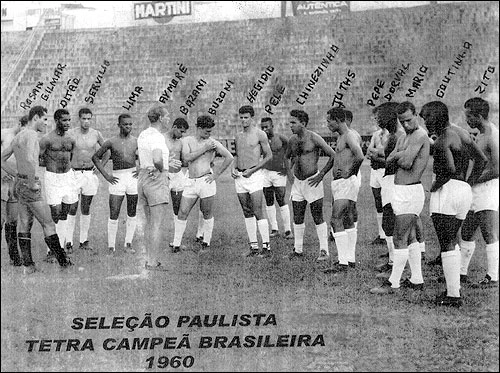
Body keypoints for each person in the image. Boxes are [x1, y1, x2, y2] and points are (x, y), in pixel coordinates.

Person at [423, 101, 487, 307]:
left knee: (447, 243)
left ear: (437, 118)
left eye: (427, 119)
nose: (426, 124)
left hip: (447, 191)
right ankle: (454, 288)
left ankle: (453, 296)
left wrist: (435, 186)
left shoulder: (443, 139)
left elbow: (448, 170)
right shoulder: (461, 133)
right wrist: (468, 183)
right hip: (463, 191)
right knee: (453, 239)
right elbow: (481, 160)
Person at [1, 105, 72, 273]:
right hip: (30, 186)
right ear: (35, 118)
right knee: (48, 223)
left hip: (20, 185)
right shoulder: (32, 135)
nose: (46, 123)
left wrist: (17, 175)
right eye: (44, 119)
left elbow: (2, 159)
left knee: (25, 223)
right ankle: (63, 262)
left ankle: (28, 265)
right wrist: (32, 181)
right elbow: (31, 159)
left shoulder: (19, 136)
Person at [370, 101, 430, 295]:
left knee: (399, 237)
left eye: (409, 120)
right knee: (410, 237)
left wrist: (399, 156)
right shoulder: (405, 136)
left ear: (416, 115)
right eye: (402, 121)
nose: (406, 124)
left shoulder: (420, 135)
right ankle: (417, 279)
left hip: (410, 191)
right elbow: (389, 160)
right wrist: (400, 155)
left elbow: (404, 161)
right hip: (400, 190)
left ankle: (393, 282)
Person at [171, 115, 233, 252]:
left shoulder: (213, 142)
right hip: (190, 181)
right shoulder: (187, 140)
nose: (209, 134)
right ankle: (176, 245)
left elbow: (229, 157)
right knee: (182, 212)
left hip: (206, 181)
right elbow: (186, 158)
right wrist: (204, 149)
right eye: (206, 131)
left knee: (207, 212)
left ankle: (206, 243)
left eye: (210, 132)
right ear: (199, 128)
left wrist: (216, 175)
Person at [285, 109, 335, 261]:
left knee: (317, 216)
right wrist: (290, 175)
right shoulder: (292, 140)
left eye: (293, 122)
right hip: (298, 183)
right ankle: (298, 249)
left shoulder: (314, 138)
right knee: (298, 216)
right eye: (290, 122)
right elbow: (287, 158)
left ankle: (324, 251)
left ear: (303, 123)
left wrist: (321, 174)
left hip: (312, 181)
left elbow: (332, 154)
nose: (290, 125)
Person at [459, 97, 499, 287]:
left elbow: (497, 169)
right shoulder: (480, 133)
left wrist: (472, 181)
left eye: (469, 116)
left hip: (488, 189)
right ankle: (461, 273)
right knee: (466, 232)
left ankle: (493, 277)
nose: (467, 120)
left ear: (479, 116)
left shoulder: (492, 135)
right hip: (475, 188)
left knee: (488, 232)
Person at [323, 108, 364, 273]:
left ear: (338, 120)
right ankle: (349, 260)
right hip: (340, 183)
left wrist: (350, 172)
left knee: (335, 220)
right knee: (347, 220)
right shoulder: (342, 136)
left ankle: (343, 263)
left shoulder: (349, 135)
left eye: (329, 121)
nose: (327, 124)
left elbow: (360, 156)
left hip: (346, 182)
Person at [92, 113, 139, 254]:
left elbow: (145, 155)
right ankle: (111, 246)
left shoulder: (136, 141)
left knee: (132, 211)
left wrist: (140, 169)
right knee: (114, 212)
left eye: (130, 124)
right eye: (125, 124)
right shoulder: (111, 141)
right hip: (117, 178)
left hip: (132, 177)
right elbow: (95, 157)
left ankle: (128, 243)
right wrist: (106, 175)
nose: (128, 127)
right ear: (119, 125)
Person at [231, 105, 273, 257]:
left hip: (254, 176)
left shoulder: (260, 134)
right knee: (246, 211)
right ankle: (254, 247)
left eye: (246, 117)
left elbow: (269, 156)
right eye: (241, 117)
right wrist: (233, 169)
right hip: (241, 177)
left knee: (257, 210)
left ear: (252, 117)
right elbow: (236, 155)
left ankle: (267, 247)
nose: (243, 120)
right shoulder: (238, 136)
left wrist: (253, 170)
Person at [65, 107, 107, 251]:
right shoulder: (71, 134)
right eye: (84, 118)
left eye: (89, 118)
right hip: (74, 173)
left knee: (86, 207)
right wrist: (68, 167)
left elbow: (107, 150)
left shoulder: (96, 134)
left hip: (89, 174)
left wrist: (101, 166)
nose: (86, 121)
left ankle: (84, 240)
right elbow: (65, 152)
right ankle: (68, 241)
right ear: (79, 119)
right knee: (72, 207)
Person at [39, 109, 79, 256]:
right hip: (53, 178)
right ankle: (51, 249)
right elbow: (37, 157)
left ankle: (59, 247)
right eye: (64, 120)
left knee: (65, 212)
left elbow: (71, 155)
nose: (67, 123)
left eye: (69, 120)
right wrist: (50, 164)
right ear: (56, 121)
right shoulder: (47, 139)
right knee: (55, 213)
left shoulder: (71, 139)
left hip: (67, 177)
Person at [137, 105, 170, 270]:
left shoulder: (143, 134)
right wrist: (160, 168)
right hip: (155, 178)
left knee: (149, 223)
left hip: (143, 177)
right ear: (161, 118)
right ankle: (152, 261)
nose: (169, 119)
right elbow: (157, 159)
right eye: (167, 116)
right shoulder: (157, 136)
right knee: (156, 223)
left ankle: (149, 259)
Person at [373, 103, 405, 278]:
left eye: (379, 116)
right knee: (389, 222)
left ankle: (395, 264)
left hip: (393, 181)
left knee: (390, 221)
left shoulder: (396, 136)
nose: (377, 120)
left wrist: (375, 157)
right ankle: (392, 260)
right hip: (390, 181)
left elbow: (392, 162)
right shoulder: (393, 135)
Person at [1, 115, 28, 266]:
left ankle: (14, 257)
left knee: (12, 220)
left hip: (14, 183)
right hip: (2, 181)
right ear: (19, 124)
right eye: (22, 128)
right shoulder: (4, 134)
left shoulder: (24, 138)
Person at [260, 117, 293, 239]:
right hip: (265, 172)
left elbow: (292, 153)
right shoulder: (261, 140)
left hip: (279, 173)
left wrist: (287, 168)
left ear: (272, 126)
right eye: (262, 127)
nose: (264, 129)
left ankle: (288, 230)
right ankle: (274, 228)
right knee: (268, 200)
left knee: (280, 199)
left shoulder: (282, 138)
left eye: (266, 127)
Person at [366, 106, 388, 245]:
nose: (376, 120)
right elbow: (369, 151)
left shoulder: (392, 135)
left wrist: (377, 152)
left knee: (388, 203)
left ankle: (388, 234)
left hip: (385, 171)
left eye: (378, 117)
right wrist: (377, 152)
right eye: (375, 118)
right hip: (374, 171)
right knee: (378, 202)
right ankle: (381, 235)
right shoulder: (376, 134)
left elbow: (384, 153)